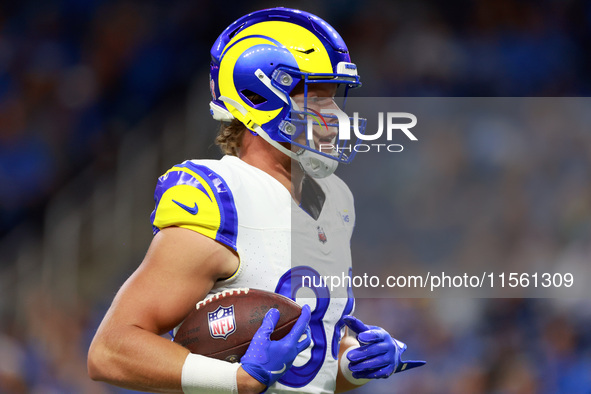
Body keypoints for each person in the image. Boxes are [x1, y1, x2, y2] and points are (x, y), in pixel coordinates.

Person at [87, 7, 424, 394]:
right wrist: (236, 379)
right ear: (258, 96)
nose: (333, 115)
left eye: (334, 98)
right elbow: (110, 350)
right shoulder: (222, 197)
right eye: (316, 97)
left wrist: (353, 360)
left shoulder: (334, 200)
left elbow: (305, 369)